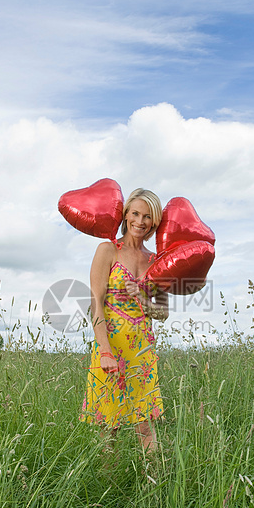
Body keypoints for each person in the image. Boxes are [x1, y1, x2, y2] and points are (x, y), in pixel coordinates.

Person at [80, 188, 169, 453]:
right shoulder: (108, 250)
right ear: (126, 214)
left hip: (141, 351)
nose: (140, 222)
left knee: (145, 425)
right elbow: (95, 304)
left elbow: (163, 312)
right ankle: (108, 490)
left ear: (154, 222)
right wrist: (104, 351)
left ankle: (154, 485)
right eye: (135, 213)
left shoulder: (156, 261)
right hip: (110, 348)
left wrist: (143, 301)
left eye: (147, 216)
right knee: (110, 426)